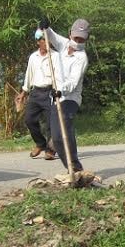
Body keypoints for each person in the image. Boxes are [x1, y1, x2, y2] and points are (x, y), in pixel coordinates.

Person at [39, 17, 90, 173]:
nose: (78, 41)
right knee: (56, 137)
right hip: (56, 98)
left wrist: (61, 90)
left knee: (65, 132)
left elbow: (74, 82)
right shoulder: (63, 45)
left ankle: (75, 166)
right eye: (76, 37)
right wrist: (45, 27)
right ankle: (71, 168)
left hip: (70, 99)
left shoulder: (82, 58)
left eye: (82, 39)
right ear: (70, 34)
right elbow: (51, 35)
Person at [16, 31, 56, 160]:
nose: (47, 42)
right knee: (29, 120)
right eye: (44, 40)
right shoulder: (33, 57)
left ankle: (50, 150)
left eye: (49, 40)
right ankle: (40, 144)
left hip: (51, 92)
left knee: (51, 123)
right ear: (38, 41)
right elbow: (29, 74)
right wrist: (23, 92)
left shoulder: (55, 56)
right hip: (35, 92)